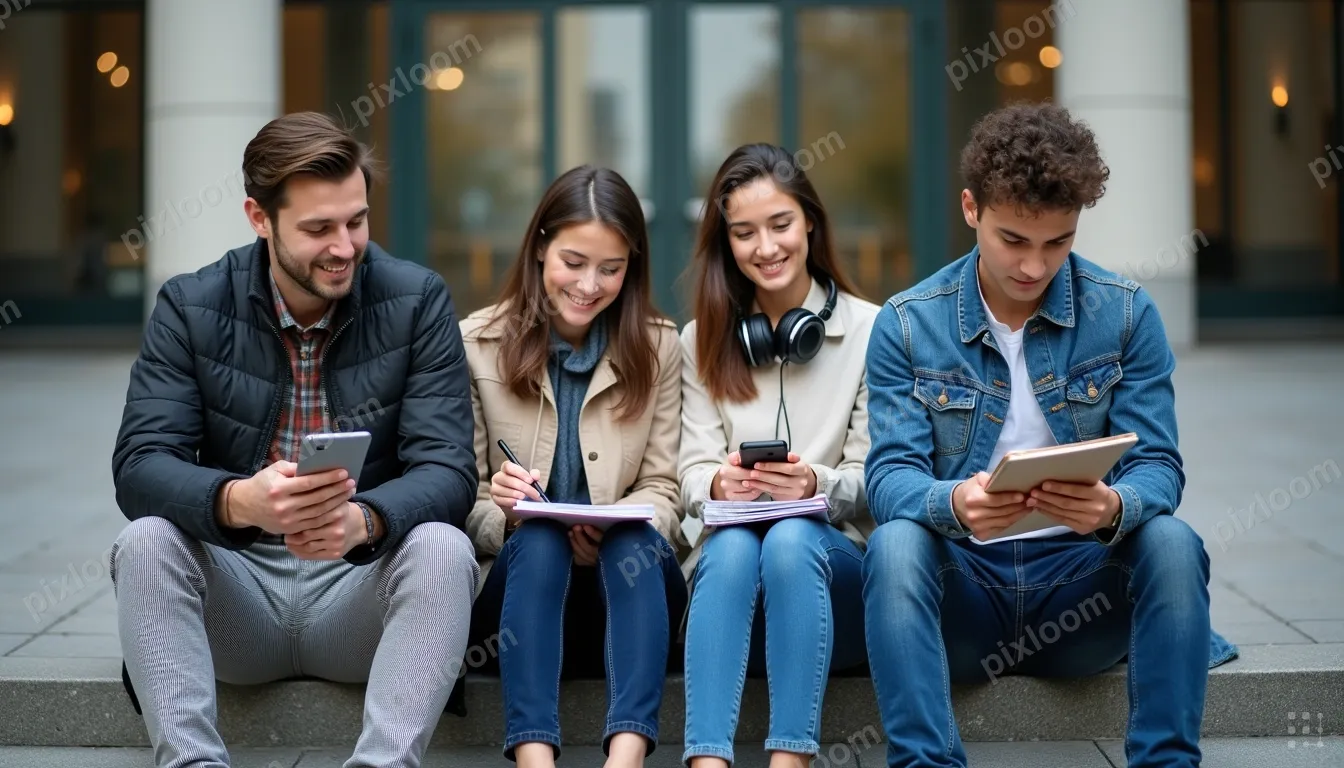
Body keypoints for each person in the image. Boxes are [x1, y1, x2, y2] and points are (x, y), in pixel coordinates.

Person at [860, 102, 1238, 768]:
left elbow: (1158, 465)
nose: (1035, 266)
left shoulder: (1123, 313)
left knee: (1173, 541)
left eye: (1056, 242)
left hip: (1081, 591)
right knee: (893, 545)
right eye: (1014, 240)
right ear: (971, 209)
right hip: (966, 595)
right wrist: (955, 504)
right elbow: (889, 479)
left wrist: (1114, 507)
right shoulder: (907, 324)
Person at [109, 111, 481, 768]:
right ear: (259, 217)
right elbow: (140, 466)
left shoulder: (417, 300)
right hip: (238, 595)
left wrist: (364, 520)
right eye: (318, 229)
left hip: (357, 593)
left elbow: (449, 470)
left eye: (356, 221)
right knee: (144, 543)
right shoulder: (190, 306)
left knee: (445, 551)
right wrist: (238, 503)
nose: (345, 245)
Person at [460, 165, 689, 768]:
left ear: (631, 267)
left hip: (628, 596)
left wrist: (616, 521)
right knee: (538, 540)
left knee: (631, 540)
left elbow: (664, 486)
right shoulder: (475, 342)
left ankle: (626, 757)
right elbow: (460, 497)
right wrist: (505, 512)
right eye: (573, 262)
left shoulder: (659, 345)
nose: (590, 284)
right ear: (539, 248)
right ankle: (536, 758)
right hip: (521, 605)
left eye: (611, 269)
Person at [677, 143, 879, 768]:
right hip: (729, 582)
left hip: (831, 570)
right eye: (743, 233)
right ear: (726, 242)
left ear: (810, 223)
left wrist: (813, 484)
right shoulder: (701, 340)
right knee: (733, 544)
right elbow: (688, 472)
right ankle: (707, 762)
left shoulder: (876, 330)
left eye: (780, 224)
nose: (765, 247)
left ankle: (790, 760)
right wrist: (718, 485)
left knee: (792, 537)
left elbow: (884, 477)